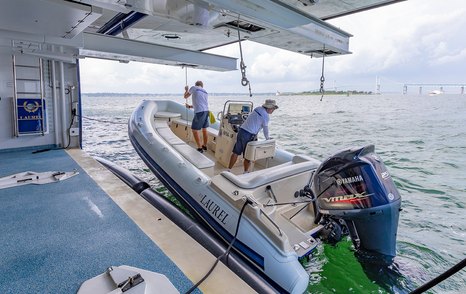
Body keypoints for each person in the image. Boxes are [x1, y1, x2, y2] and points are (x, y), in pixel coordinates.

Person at [228, 99, 278, 173]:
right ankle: (245, 172)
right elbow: (265, 129)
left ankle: (228, 170)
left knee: (236, 152)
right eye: (273, 108)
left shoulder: (257, 109)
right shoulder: (266, 116)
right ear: (269, 108)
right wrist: (267, 138)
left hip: (242, 131)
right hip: (249, 134)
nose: (273, 110)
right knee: (248, 155)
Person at [184, 80, 209, 153]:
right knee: (204, 129)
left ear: (196, 84)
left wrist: (186, 90)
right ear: (202, 86)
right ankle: (204, 145)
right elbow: (201, 104)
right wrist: (190, 106)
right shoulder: (205, 91)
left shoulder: (194, 88)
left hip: (199, 112)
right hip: (206, 111)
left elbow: (185, 96)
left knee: (194, 130)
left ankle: (199, 148)